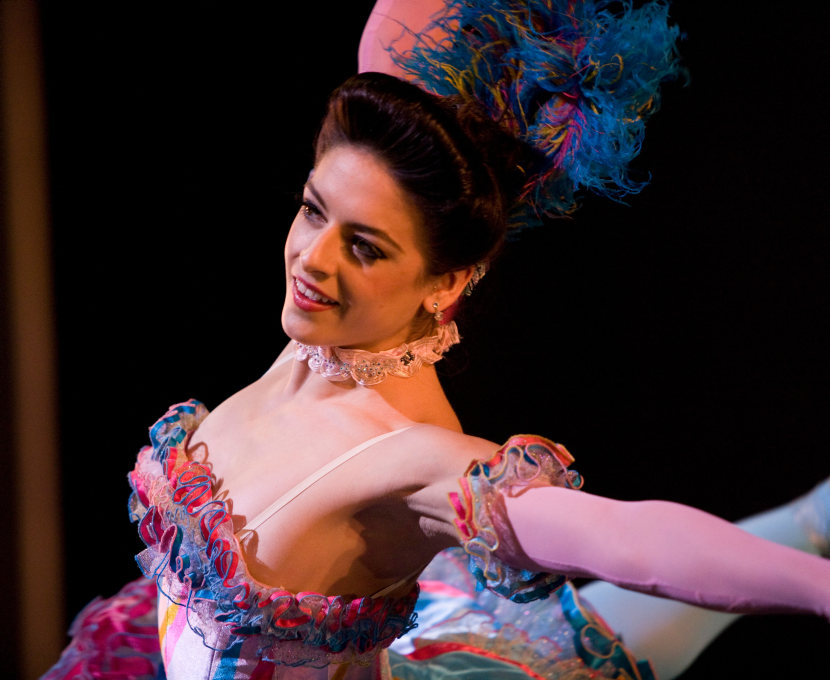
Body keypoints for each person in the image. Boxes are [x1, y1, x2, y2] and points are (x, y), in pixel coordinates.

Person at [42, 1, 830, 679]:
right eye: (313, 211)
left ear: (446, 283)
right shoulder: (323, 342)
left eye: (364, 247)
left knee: (592, 647)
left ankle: (813, 522)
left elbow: (627, 542)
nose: (312, 259)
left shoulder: (410, 456)